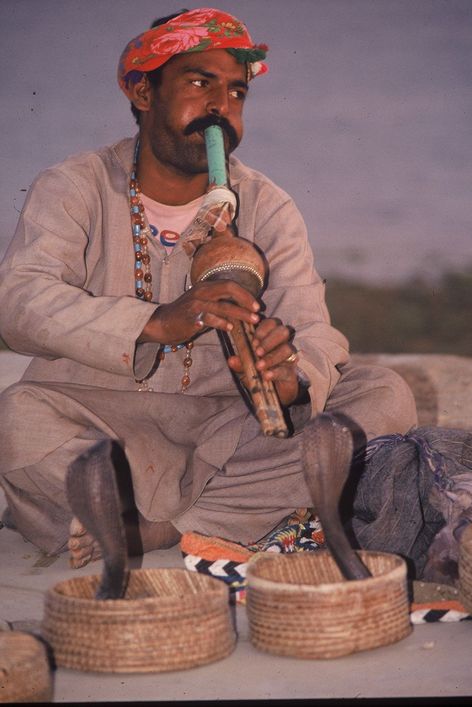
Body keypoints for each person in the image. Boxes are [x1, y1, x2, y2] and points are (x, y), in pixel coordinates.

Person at [0, 8, 417, 568]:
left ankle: (162, 528)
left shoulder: (266, 204)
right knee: (15, 418)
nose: (222, 107)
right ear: (143, 92)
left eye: (237, 93)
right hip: (99, 415)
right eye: (200, 83)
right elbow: (19, 300)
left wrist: (292, 375)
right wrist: (156, 323)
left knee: (382, 394)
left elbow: (315, 331)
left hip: (228, 431)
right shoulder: (74, 186)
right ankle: (220, 517)